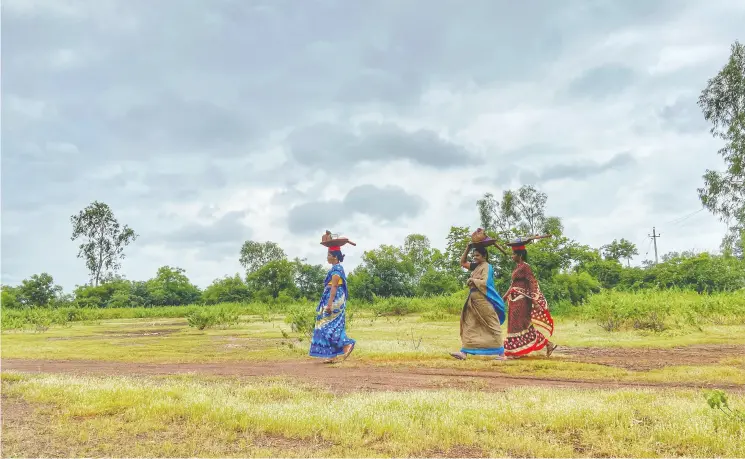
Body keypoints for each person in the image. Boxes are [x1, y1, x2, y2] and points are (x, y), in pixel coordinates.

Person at [450, 243, 508, 361]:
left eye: (477, 255)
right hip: (473, 300)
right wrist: (467, 248)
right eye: (474, 255)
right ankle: (464, 352)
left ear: (484, 255)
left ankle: (502, 354)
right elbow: (462, 262)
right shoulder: (476, 266)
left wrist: (472, 279)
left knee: (492, 324)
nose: (475, 257)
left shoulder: (487, 266)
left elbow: (486, 282)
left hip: (483, 300)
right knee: (469, 324)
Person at [503, 240, 557, 358]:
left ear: (520, 255)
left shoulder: (526, 267)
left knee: (519, 325)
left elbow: (532, 282)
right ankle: (547, 344)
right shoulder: (518, 267)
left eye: (513, 254)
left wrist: (534, 301)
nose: (512, 256)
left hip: (522, 301)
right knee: (518, 325)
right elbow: (513, 285)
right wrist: (505, 296)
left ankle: (515, 352)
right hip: (514, 300)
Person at [309, 245, 356, 363]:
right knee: (328, 326)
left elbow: (334, 287)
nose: (327, 257)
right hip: (331, 299)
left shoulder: (336, 270)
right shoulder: (336, 268)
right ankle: (332, 355)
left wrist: (329, 305)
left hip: (334, 301)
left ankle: (347, 344)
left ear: (335, 257)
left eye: (329, 255)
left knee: (326, 326)